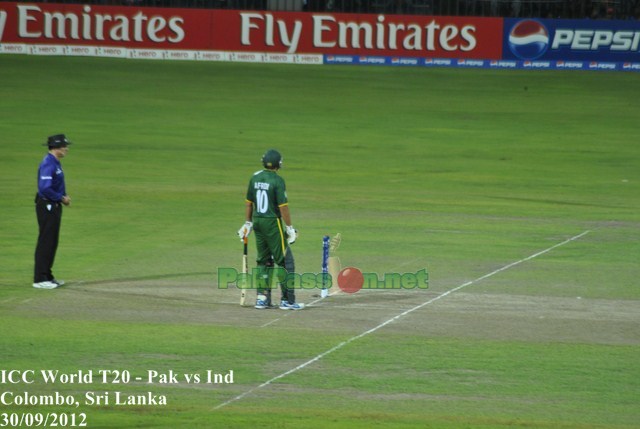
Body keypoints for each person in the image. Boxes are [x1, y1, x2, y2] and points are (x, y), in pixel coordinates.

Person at [237, 149, 304, 310]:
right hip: (272, 223)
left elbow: (248, 203)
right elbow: (283, 207)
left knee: (263, 260)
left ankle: (262, 298)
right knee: (285, 261)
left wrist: (247, 223)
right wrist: (289, 228)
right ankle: (287, 300)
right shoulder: (277, 181)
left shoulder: (255, 178)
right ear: (278, 164)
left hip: (257, 222)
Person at [33, 134, 72, 289]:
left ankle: (47, 276)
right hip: (47, 205)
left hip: (53, 205)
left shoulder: (55, 162)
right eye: (64, 146)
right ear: (56, 147)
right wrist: (61, 198)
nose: (66, 149)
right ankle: (39, 279)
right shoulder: (48, 163)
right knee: (46, 241)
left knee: (52, 242)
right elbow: (44, 188)